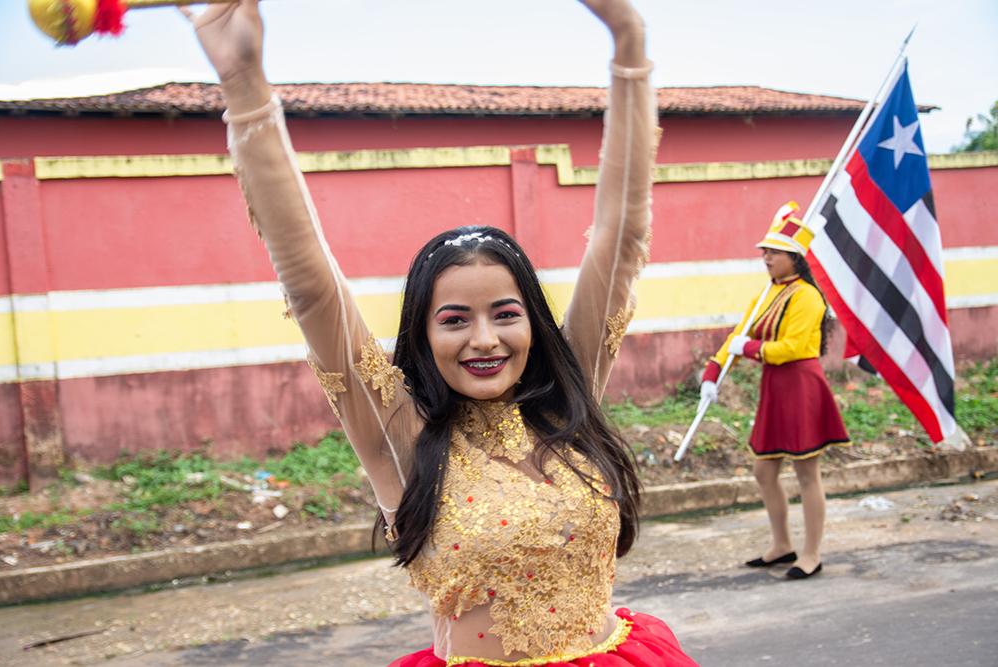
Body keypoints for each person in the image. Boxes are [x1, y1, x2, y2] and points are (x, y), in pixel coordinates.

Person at [184, 0, 698, 664]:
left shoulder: (570, 398)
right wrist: (243, 84)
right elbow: (311, 283)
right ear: (423, 337)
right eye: (454, 320)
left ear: (533, 325)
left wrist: (630, 42)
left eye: (505, 313)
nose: (484, 338)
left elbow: (622, 237)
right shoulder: (400, 429)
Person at [699, 201, 850, 580]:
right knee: (764, 472)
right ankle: (782, 545)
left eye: (773, 252)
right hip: (775, 388)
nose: (765, 257)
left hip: (801, 387)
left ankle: (811, 554)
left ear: (795, 258)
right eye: (765, 251)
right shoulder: (769, 292)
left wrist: (748, 349)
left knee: (806, 473)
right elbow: (741, 332)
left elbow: (795, 348)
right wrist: (712, 371)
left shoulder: (807, 297)